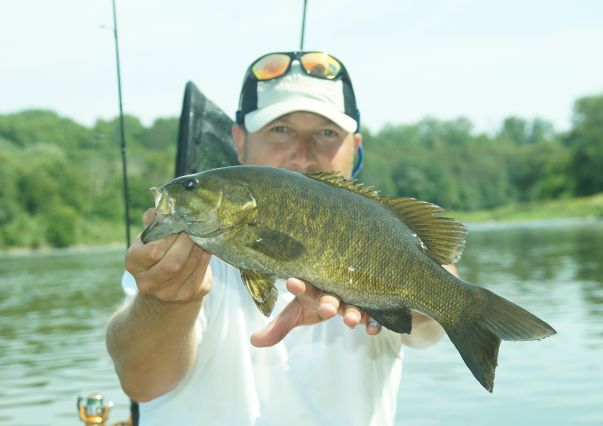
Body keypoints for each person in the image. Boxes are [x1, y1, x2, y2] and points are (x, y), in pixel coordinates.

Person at [106, 51, 450, 426]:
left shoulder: (379, 231)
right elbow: (140, 381)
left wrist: (433, 292)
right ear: (238, 142)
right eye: (280, 130)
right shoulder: (178, 257)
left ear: (356, 146)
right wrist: (164, 301)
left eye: (327, 133)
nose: (303, 153)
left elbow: (430, 323)